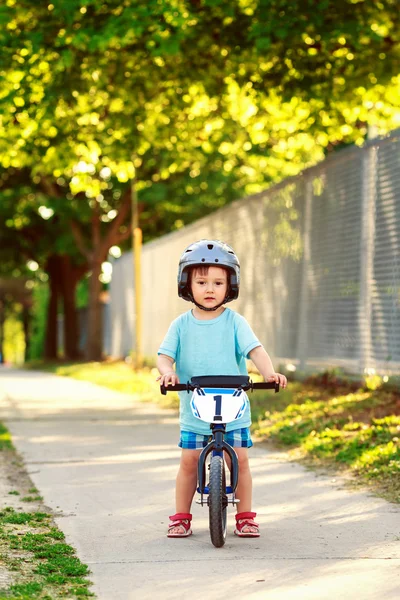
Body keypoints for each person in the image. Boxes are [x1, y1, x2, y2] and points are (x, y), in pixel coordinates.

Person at [157, 239, 287, 539]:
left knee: (240, 459)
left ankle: (245, 517)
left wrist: (269, 373)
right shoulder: (180, 325)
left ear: (231, 285)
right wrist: (168, 374)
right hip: (195, 406)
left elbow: (256, 350)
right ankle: (180, 517)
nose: (210, 288)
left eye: (218, 282)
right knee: (189, 462)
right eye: (201, 282)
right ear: (187, 284)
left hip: (234, 406)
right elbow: (164, 357)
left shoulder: (235, 322)